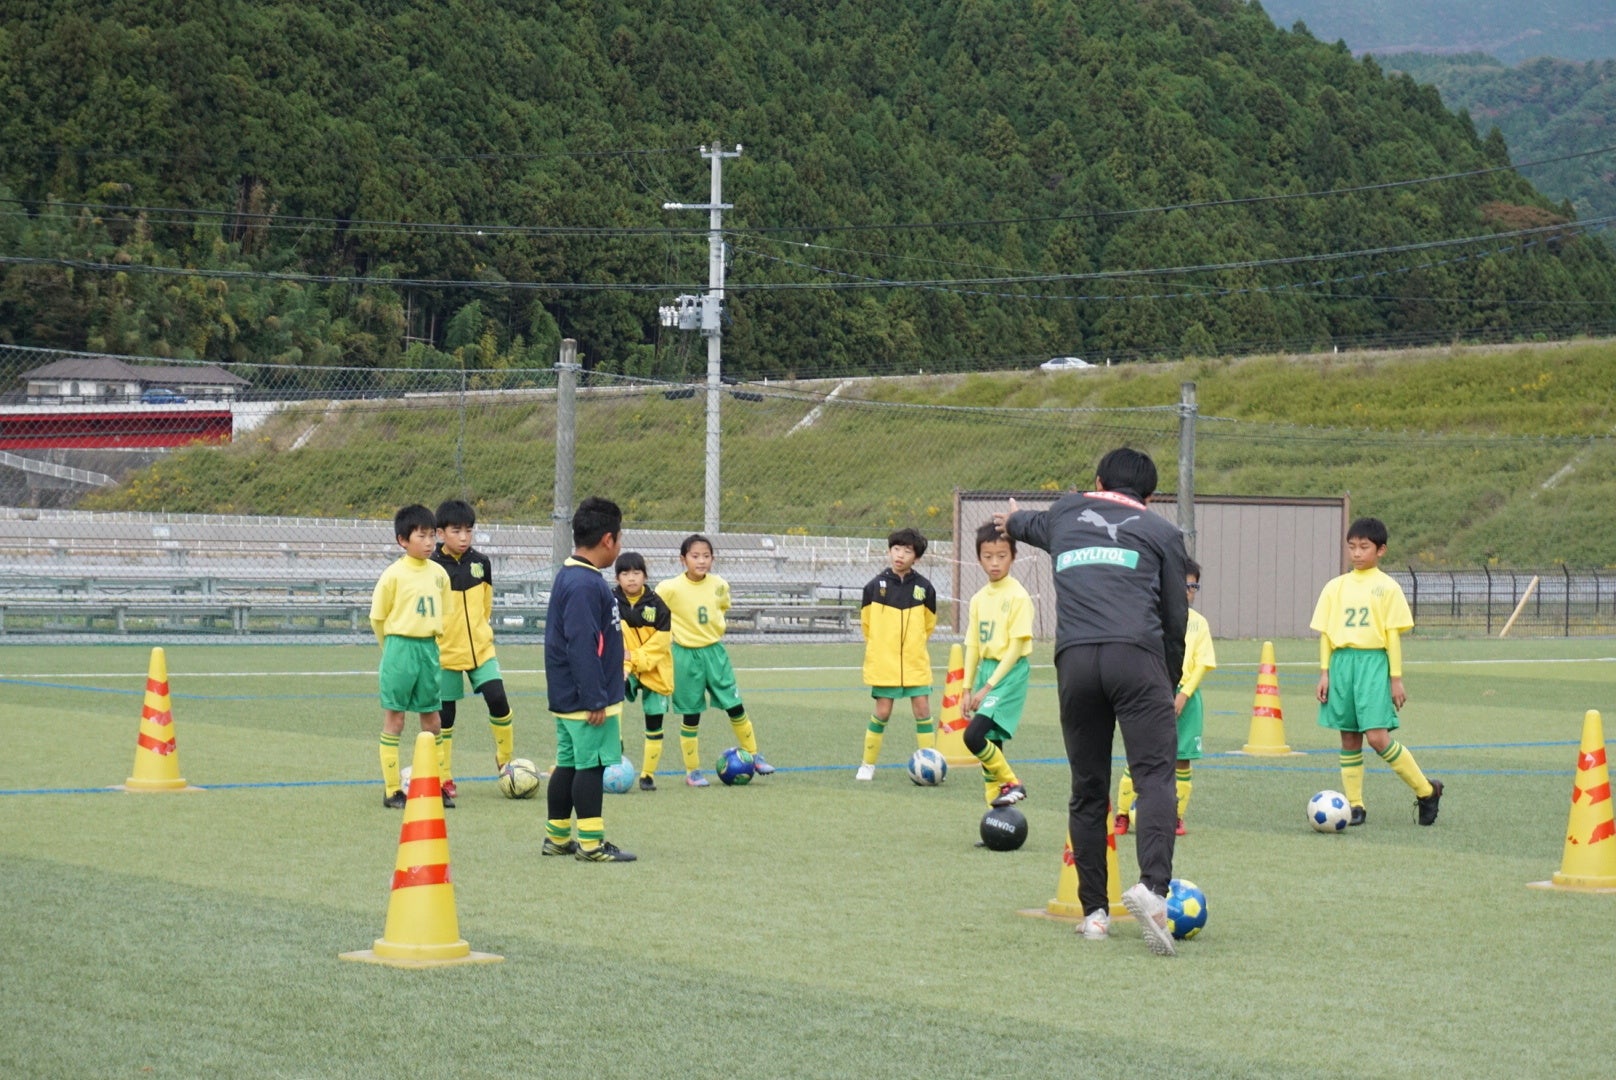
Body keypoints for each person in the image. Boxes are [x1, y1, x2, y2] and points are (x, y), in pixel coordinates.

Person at [999, 447, 1188, 956]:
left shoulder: (1065, 513)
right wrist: (1168, 678)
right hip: (1137, 658)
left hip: (1076, 661)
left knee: (1088, 788)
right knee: (1154, 778)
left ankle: (1095, 916)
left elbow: (1024, 523)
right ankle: (1152, 891)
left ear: (1098, 481)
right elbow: (1175, 617)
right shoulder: (1163, 533)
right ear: (1150, 496)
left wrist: (1011, 520)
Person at [1313, 516, 1443, 827]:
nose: (1356, 553)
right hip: (1341, 664)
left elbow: (1393, 637)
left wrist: (1396, 679)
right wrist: (1325, 672)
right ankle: (1355, 805)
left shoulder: (1388, 588)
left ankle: (1427, 790)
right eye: (1352, 547)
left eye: (1364, 547)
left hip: (1373, 663)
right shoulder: (1335, 587)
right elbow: (1326, 634)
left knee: (1377, 737)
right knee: (1349, 737)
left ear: (1380, 550)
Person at [543, 496, 635, 862]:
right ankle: (592, 844)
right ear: (608, 540)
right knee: (591, 766)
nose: (620, 545)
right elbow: (581, 643)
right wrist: (594, 696)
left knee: (568, 764)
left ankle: (557, 837)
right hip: (585, 698)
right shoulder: (584, 583)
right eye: (620, 538)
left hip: (569, 694)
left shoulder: (573, 575)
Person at [654, 534, 775, 786]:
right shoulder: (669, 588)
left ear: (713, 558)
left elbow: (721, 608)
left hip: (715, 653)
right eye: (695, 556)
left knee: (735, 704)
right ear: (683, 559)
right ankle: (692, 771)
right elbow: (656, 612)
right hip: (685, 656)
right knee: (691, 715)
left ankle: (754, 754)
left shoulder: (719, 585)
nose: (701, 561)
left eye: (706, 556)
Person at [1115, 559, 1216, 837]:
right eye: (1182, 585)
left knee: (1182, 760)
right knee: (1140, 756)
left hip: (1187, 699)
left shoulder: (1199, 624)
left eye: (1193, 587)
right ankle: (1122, 814)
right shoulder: (1152, 618)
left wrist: (1184, 694)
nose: (1188, 592)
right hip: (1152, 693)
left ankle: (1176, 817)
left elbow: (1203, 663)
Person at [431, 499, 516, 802]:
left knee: (498, 699)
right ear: (440, 533)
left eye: (469, 530)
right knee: (446, 716)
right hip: (445, 653)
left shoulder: (482, 563)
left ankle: (505, 761)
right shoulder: (432, 567)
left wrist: (480, 633)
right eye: (456, 531)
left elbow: (486, 605)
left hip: (481, 649)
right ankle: (444, 776)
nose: (464, 537)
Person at [370, 504, 453, 809]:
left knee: (432, 719)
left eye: (432, 536)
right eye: (422, 536)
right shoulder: (393, 575)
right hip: (399, 649)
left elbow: (445, 614)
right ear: (403, 540)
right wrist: (391, 650)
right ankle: (392, 790)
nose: (430, 542)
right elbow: (377, 618)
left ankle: (438, 785)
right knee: (396, 718)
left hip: (428, 649)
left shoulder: (440, 574)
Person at [855, 527, 938, 780]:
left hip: (915, 663)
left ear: (917, 557)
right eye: (896, 549)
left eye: (907, 551)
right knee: (882, 712)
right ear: (889, 551)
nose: (900, 555)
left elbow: (928, 625)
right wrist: (882, 648)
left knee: (922, 710)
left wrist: (913, 646)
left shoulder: (925, 588)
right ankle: (867, 765)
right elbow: (867, 625)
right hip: (885, 664)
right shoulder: (873, 587)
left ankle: (930, 763)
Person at [961, 522, 1034, 810]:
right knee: (991, 743)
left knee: (973, 736)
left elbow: (1015, 649)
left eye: (1002, 556)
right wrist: (967, 688)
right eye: (988, 556)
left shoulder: (1018, 596)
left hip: (1009, 673)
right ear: (978, 557)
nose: (994, 563)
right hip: (987, 671)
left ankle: (1012, 782)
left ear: (1013, 556)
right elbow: (973, 645)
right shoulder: (978, 599)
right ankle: (996, 811)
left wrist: (987, 688)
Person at [615, 551, 674, 792]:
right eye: (625, 573)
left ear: (645, 576)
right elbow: (614, 638)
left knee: (654, 720)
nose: (631, 578)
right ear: (617, 578)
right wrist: (625, 665)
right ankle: (615, 745)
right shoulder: (610, 603)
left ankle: (647, 775)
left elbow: (661, 644)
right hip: (624, 666)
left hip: (655, 669)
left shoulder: (658, 606)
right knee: (613, 695)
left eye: (636, 573)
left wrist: (635, 658)